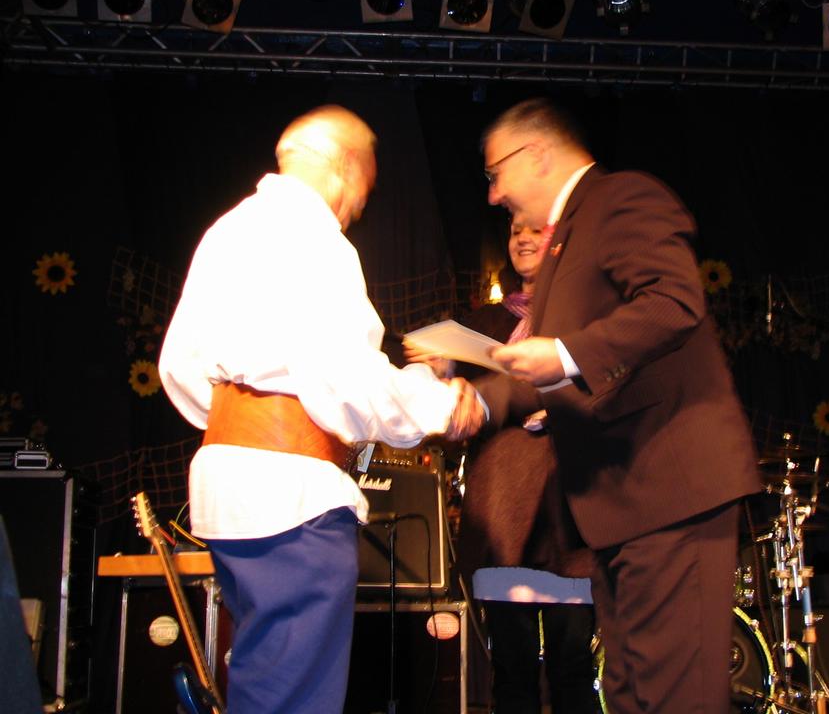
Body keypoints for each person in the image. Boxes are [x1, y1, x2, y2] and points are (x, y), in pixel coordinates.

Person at [158, 104, 484, 714]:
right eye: (366, 188)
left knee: (264, 677)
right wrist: (441, 405)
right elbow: (348, 381)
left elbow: (179, 367)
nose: (360, 206)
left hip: (227, 491)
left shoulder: (227, 230)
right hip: (290, 497)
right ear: (347, 167)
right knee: (293, 697)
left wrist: (253, 415)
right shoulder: (314, 237)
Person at [473, 97, 761, 714]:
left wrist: (566, 353)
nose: (494, 195)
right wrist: (472, 400)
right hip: (620, 510)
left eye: (495, 173)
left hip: (669, 492)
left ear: (536, 154)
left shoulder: (620, 198)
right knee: (631, 695)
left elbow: (673, 303)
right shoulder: (562, 246)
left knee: (676, 698)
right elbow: (545, 367)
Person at [412, 216, 601, 714]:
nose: (522, 239)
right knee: (512, 673)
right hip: (502, 513)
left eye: (535, 230)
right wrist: (439, 372)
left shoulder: (584, 320)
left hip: (565, 515)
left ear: (559, 243)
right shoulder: (484, 326)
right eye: (516, 231)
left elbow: (605, 393)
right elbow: (453, 412)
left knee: (571, 669)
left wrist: (561, 408)